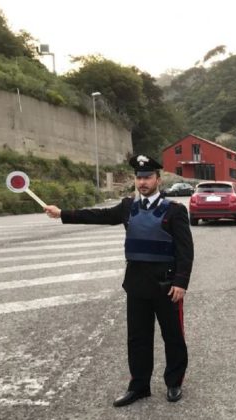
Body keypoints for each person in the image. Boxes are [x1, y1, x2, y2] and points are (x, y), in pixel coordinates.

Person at [43, 154, 194, 407]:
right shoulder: (127, 207)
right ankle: (139, 386)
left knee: (173, 336)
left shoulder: (175, 210)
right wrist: (62, 213)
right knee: (138, 338)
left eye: (147, 177)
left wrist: (181, 282)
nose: (142, 182)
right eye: (139, 177)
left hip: (167, 286)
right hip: (136, 285)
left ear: (158, 179)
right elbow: (99, 215)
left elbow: (185, 250)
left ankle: (174, 382)